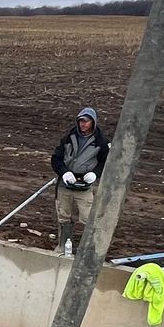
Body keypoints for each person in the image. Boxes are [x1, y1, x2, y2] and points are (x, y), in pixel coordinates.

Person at [51, 106, 110, 256]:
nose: (83, 124)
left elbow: (106, 162)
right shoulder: (68, 138)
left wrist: (95, 174)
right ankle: (63, 245)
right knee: (64, 216)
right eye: (81, 121)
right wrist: (64, 172)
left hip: (84, 186)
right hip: (66, 184)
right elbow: (56, 158)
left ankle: (88, 249)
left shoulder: (100, 142)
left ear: (93, 122)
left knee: (87, 218)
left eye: (86, 121)